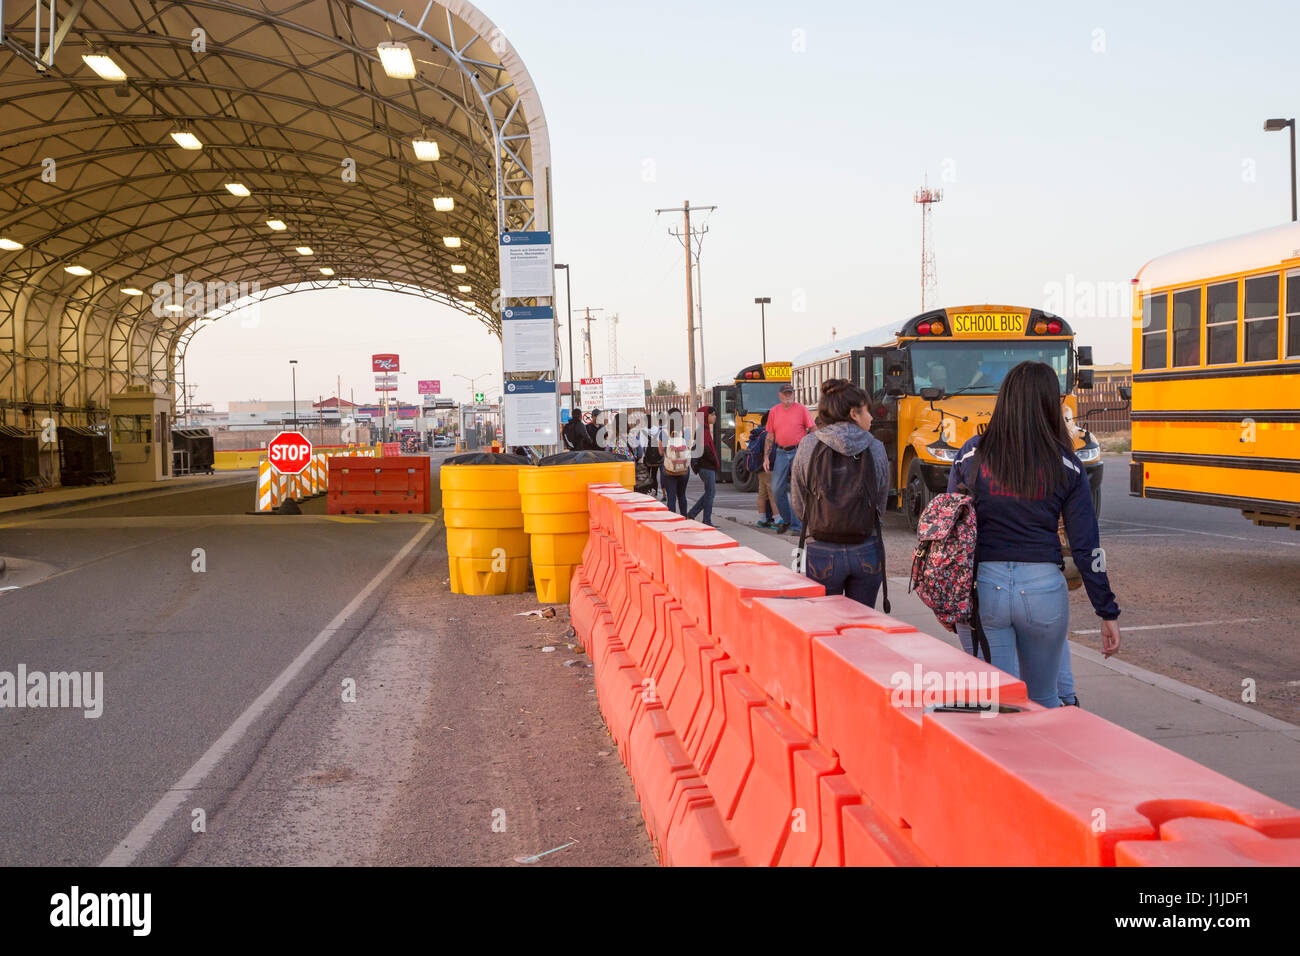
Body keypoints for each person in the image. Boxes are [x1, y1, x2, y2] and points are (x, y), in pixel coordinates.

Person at [946, 361, 1122, 709]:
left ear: (1005, 399)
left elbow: (950, 528)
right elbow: (1086, 547)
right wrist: (1107, 611)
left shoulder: (971, 453)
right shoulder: (1067, 463)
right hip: (1043, 587)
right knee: (1043, 701)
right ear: (1050, 403)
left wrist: (949, 599)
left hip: (983, 587)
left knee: (998, 704)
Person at [789, 379, 890, 607]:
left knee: (825, 622)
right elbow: (881, 500)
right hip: (866, 547)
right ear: (854, 413)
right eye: (868, 411)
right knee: (862, 620)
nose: (871, 417)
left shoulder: (809, 445)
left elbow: (798, 500)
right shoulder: (875, 447)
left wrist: (819, 521)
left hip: (821, 549)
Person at [764, 383, 814, 534]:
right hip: (781, 452)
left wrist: (812, 449)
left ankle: (797, 526)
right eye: (785, 393)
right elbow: (770, 435)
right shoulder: (774, 411)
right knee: (776, 488)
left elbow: (813, 429)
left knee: (796, 490)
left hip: (799, 451)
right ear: (780, 395)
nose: (788, 396)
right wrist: (766, 457)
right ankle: (787, 520)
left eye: (790, 393)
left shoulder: (802, 409)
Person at [686, 405, 719, 526]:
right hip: (706, 467)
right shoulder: (703, 430)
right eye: (712, 414)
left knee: (709, 493)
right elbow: (705, 449)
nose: (715, 417)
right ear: (706, 416)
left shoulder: (703, 429)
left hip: (705, 466)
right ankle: (706, 520)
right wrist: (715, 461)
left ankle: (692, 513)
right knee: (710, 493)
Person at [659, 407, 691, 515]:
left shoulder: (663, 433)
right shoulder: (686, 432)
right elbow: (688, 448)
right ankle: (684, 518)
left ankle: (673, 521)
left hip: (668, 469)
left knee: (671, 498)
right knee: (682, 495)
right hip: (683, 468)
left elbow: (660, 452)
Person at [748, 412, 776, 527]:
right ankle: (778, 520)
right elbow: (772, 453)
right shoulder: (767, 435)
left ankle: (762, 519)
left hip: (759, 468)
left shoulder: (757, 433)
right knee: (773, 494)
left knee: (762, 494)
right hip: (769, 467)